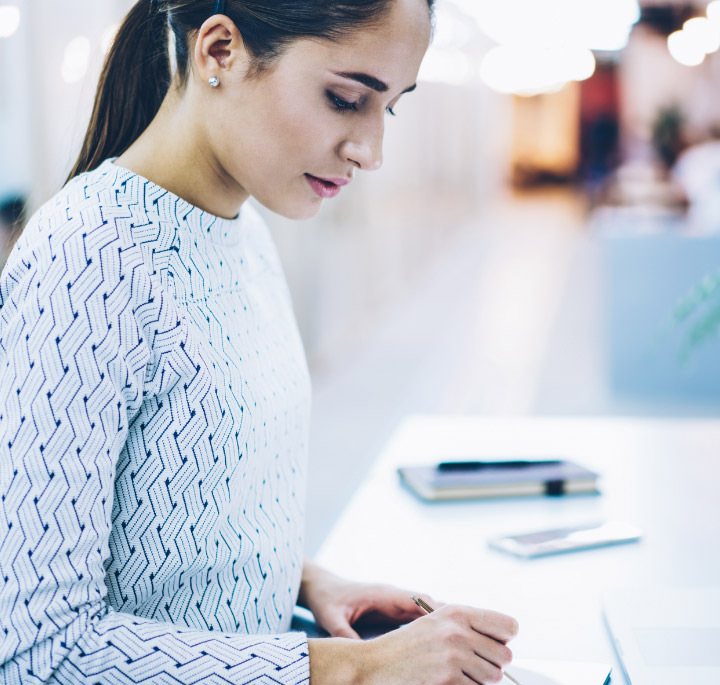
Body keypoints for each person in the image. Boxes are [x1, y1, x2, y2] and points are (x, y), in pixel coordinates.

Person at [0, 0, 519, 683]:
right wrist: (349, 669)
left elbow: (176, 518)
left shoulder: (244, 230)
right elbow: (41, 651)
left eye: (387, 108)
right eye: (344, 99)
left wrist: (305, 585)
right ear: (219, 51)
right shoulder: (88, 257)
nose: (371, 150)